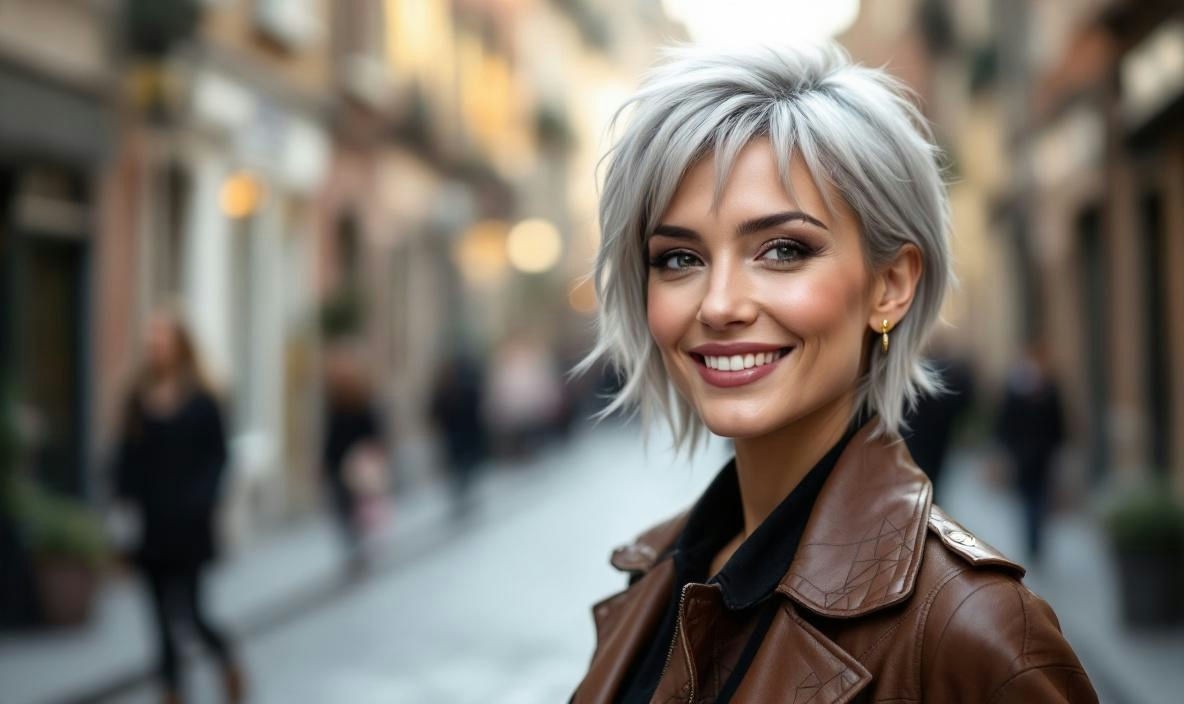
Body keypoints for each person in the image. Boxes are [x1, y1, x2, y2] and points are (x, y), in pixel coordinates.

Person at [570, 44, 1095, 703]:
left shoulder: (975, 634)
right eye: (678, 258)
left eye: (783, 250)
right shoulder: (655, 575)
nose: (720, 304)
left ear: (891, 285)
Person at [113, 311, 244, 704]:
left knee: (190, 613)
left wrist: (201, 501)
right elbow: (125, 459)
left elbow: (219, 459)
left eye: (162, 338)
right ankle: (172, 692)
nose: (155, 346)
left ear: (181, 345)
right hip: (150, 526)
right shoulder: (137, 398)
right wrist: (122, 509)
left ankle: (226, 658)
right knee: (158, 621)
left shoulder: (204, 401)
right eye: (151, 338)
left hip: (189, 528)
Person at [995, 340, 1066, 563]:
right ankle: (1033, 540)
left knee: (1035, 497)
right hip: (1027, 455)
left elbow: (1058, 422)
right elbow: (1005, 422)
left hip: (1037, 454)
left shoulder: (1047, 387)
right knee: (1031, 498)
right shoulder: (1024, 388)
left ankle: (1034, 540)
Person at [322, 342, 387, 574]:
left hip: (358, 465)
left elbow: (374, 432)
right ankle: (353, 546)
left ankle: (359, 545)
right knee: (343, 509)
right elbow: (329, 435)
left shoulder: (363, 400)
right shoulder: (334, 400)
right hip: (339, 463)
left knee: (357, 507)